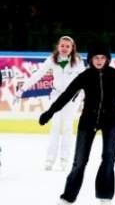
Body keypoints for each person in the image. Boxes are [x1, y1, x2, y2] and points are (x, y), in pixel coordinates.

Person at [38, 41, 115, 205]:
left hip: (112, 121)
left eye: (103, 58)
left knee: (109, 158)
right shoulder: (85, 76)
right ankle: (68, 197)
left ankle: (105, 195)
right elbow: (66, 95)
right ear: (90, 59)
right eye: (96, 58)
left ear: (107, 59)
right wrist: (50, 112)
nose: (99, 61)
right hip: (88, 120)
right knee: (79, 161)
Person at [16, 36, 85, 171]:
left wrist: (85, 96)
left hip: (72, 98)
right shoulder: (51, 60)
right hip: (56, 95)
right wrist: (22, 89)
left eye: (67, 46)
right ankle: (50, 159)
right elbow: (38, 75)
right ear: (58, 46)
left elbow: (84, 79)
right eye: (62, 45)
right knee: (55, 126)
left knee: (67, 126)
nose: (64, 48)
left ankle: (64, 159)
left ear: (72, 48)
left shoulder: (78, 61)